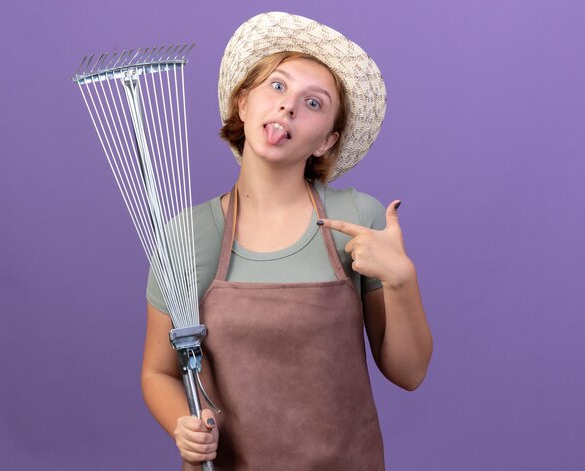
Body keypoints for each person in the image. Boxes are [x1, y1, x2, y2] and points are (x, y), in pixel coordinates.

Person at [141, 11, 432, 471]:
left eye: (313, 103)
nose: (289, 106)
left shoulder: (357, 218)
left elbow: (409, 373)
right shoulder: (187, 235)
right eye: (277, 86)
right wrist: (184, 424)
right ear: (242, 103)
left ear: (326, 141)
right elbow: (157, 371)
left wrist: (401, 279)